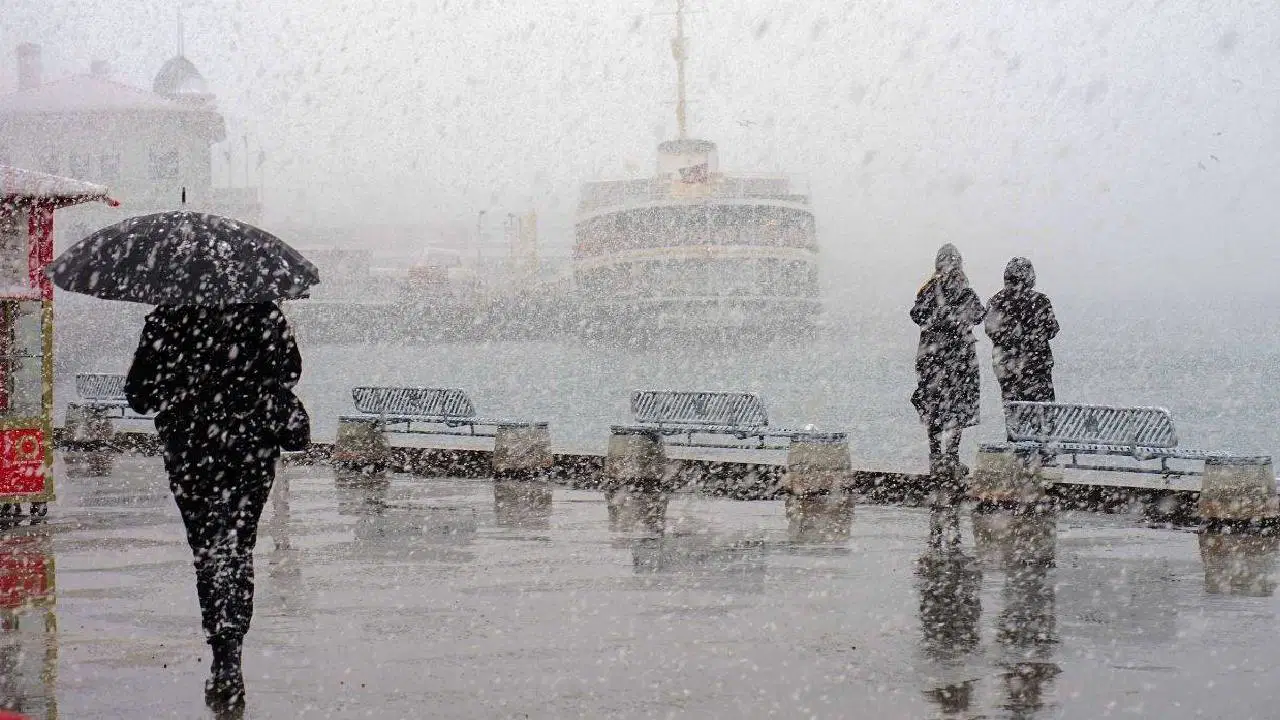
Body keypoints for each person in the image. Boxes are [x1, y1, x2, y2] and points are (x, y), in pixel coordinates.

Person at [125, 303, 301, 713]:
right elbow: (290, 373)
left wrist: (183, 387)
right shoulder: (264, 314)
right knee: (238, 548)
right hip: (250, 448)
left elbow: (139, 395)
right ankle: (232, 651)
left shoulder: (168, 318)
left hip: (191, 450)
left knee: (207, 551)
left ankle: (221, 650)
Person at [911, 244, 985, 480]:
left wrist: (937, 321)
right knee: (957, 409)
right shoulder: (965, 291)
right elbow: (979, 315)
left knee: (933, 408)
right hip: (959, 361)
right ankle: (952, 458)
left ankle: (935, 458)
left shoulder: (928, 290)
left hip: (931, 359)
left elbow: (916, 314)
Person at [984, 257, 1059, 436]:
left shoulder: (996, 301)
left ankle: (1017, 446)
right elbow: (1052, 329)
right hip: (1038, 369)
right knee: (1043, 418)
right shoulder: (1040, 301)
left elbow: (991, 331)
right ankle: (1043, 448)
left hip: (1008, 370)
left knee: (1015, 417)